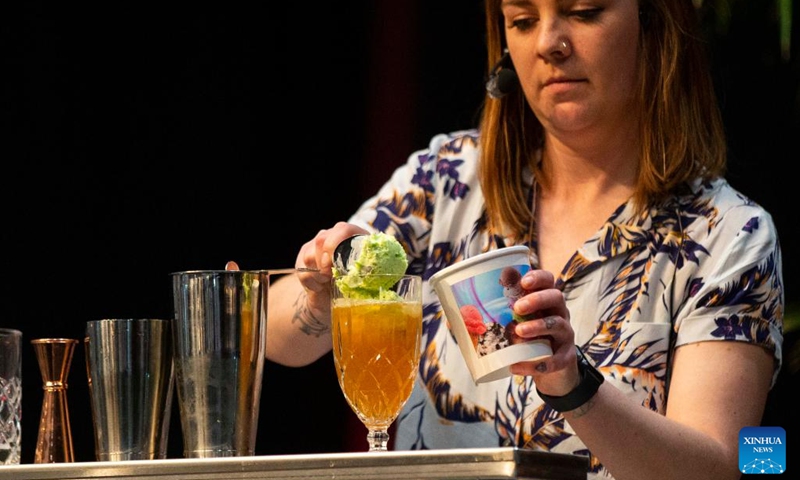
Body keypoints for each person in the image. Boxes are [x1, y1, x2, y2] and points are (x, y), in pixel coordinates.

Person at [262, 1, 784, 479]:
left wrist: (574, 384)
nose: (548, 43)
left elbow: (717, 467)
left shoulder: (727, 234)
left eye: (583, 11)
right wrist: (318, 294)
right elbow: (277, 335)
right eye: (522, 20)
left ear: (654, 26)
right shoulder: (446, 180)